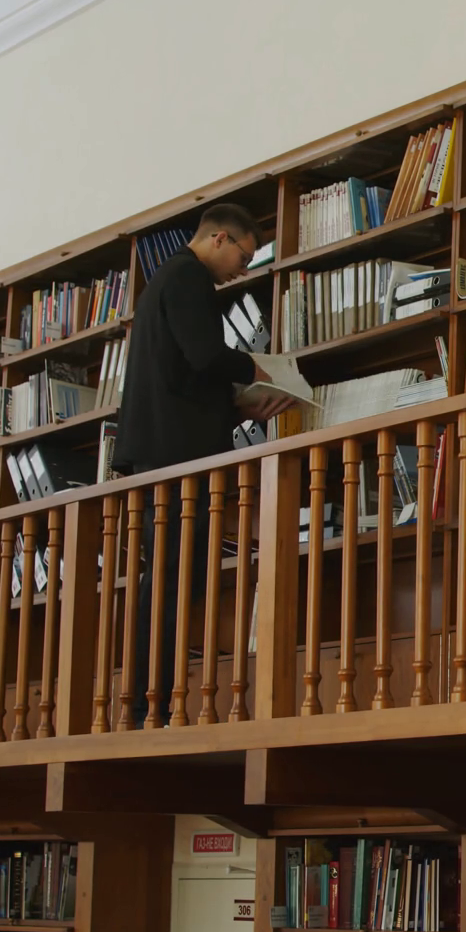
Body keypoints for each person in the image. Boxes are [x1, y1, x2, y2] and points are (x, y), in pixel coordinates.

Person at [114, 203, 295, 725]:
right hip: (175, 461)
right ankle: (149, 705)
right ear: (219, 239)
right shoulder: (187, 277)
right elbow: (206, 355)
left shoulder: (167, 282)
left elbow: (183, 379)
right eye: (244, 257)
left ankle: (153, 702)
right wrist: (258, 369)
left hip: (163, 451)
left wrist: (239, 407)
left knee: (175, 580)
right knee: (171, 581)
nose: (242, 270)